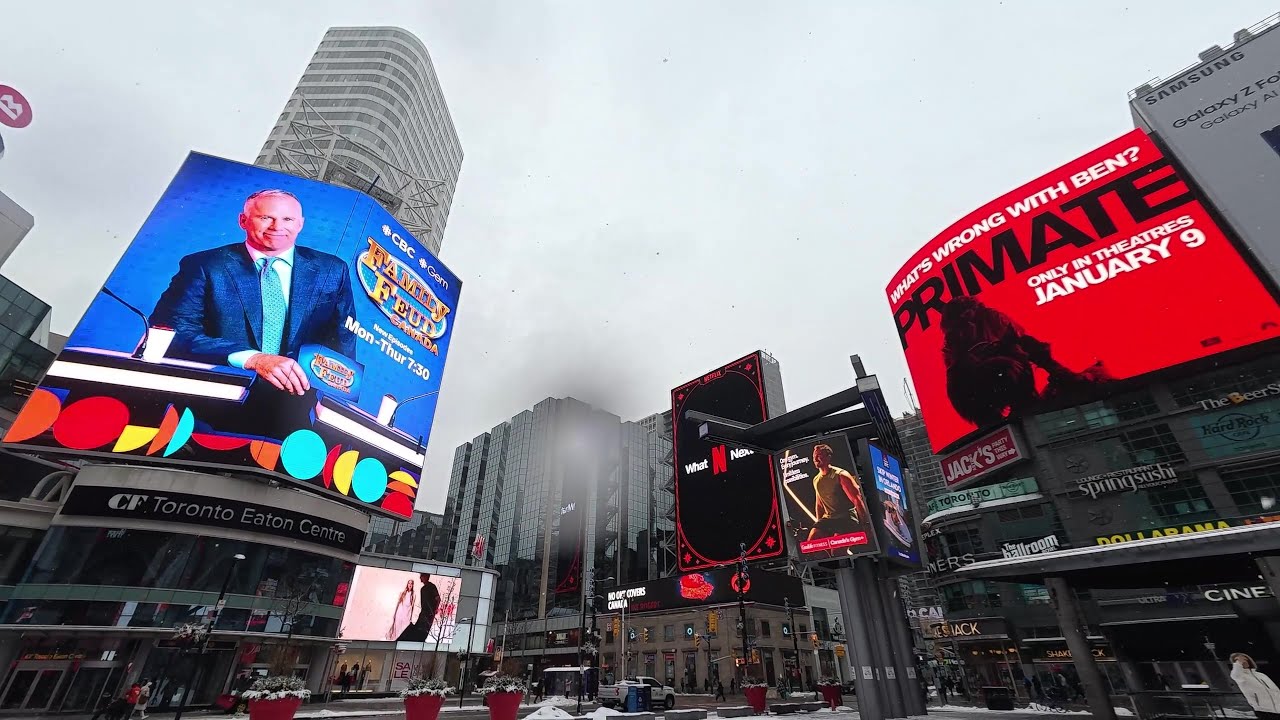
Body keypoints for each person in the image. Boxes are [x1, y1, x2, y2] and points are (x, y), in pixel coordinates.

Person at [151, 189, 356, 434]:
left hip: (293, 414)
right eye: (266, 218)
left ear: (301, 224)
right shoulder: (204, 265)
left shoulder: (333, 270)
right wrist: (253, 359)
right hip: (211, 406)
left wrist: (331, 403)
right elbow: (173, 332)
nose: (276, 227)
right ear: (243, 221)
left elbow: (343, 341)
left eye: (287, 219)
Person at [807, 443, 871, 543]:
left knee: (837, 550)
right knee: (811, 543)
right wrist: (819, 523)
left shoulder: (841, 475)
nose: (815, 458)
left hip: (846, 519)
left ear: (828, 457)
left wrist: (866, 525)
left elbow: (857, 500)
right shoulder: (816, 480)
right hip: (829, 519)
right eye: (814, 456)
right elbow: (819, 504)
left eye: (819, 455)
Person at [1231, 652, 1280, 719]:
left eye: (1245, 659)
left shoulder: (1261, 675)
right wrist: (1238, 662)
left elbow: (1275, 690)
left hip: (1278, 709)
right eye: (1240, 660)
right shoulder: (1241, 677)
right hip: (1263, 710)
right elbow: (1235, 674)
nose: (1244, 661)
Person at [395, 574, 442, 642]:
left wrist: (435, 610)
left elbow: (438, 599)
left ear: (426, 577)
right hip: (424, 612)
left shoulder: (431, 586)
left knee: (421, 630)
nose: (420, 578)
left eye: (422, 576)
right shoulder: (423, 589)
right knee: (417, 629)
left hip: (429, 613)